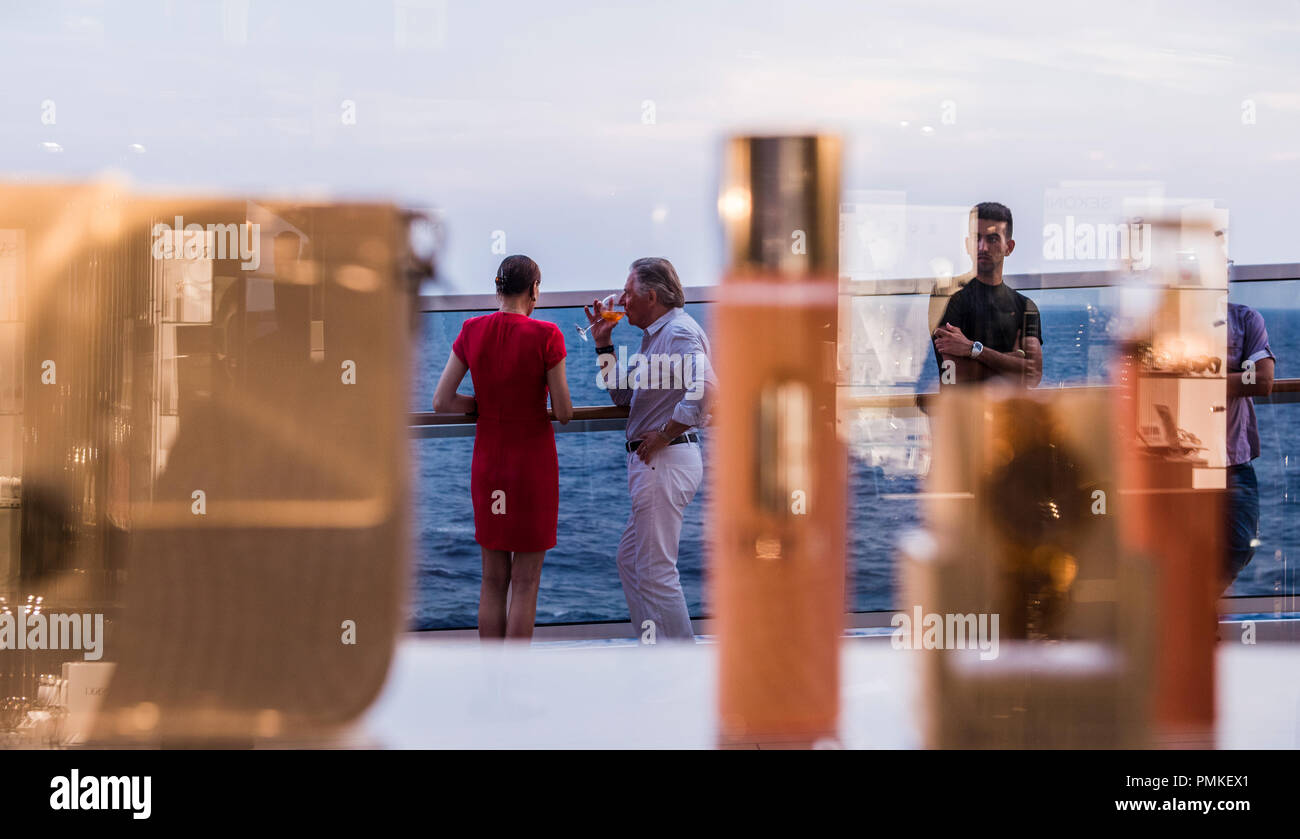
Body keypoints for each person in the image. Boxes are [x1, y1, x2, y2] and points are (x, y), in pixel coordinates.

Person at [433, 255, 573, 640]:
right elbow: (562, 412)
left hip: (489, 465)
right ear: (533, 291)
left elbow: (442, 402)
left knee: (493, 579)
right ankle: (513, 682)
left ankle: (491, 679)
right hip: (531, 468)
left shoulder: (471, 329)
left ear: (498, 288)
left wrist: (480, 406)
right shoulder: (547, 335)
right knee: (525, 583)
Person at [584, 257, 716, 643]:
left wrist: (663, 431)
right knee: (631, 562)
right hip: (660, 461)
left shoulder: (676, 333)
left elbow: (708, 389)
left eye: (628, 292)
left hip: (665, 459)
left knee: (657, 572)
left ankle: (679, 666)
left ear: (651, 296)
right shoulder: (658, 336)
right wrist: (604, 343)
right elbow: (624, 396)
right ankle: (656, 649)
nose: (622, 300)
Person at [932, 202, 1043, 387]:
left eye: (992, 239)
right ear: (968, 244)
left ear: (1009, 247)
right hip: (964, 414)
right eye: (977, 238)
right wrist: (1013, 362)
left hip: (1010, 415)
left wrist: (973, 350)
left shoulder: (1025, 306)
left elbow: (1033, 374)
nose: (983, 247)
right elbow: (954, 374)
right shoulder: (952, 301)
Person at [1223, 301, 1275, 591]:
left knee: (1241, 544)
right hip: (1174, 459)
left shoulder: (1244, 319)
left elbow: (1264, 380)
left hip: (1232, 457)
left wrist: (1197, 381)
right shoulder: (1160, 320)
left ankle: (1196, 606)